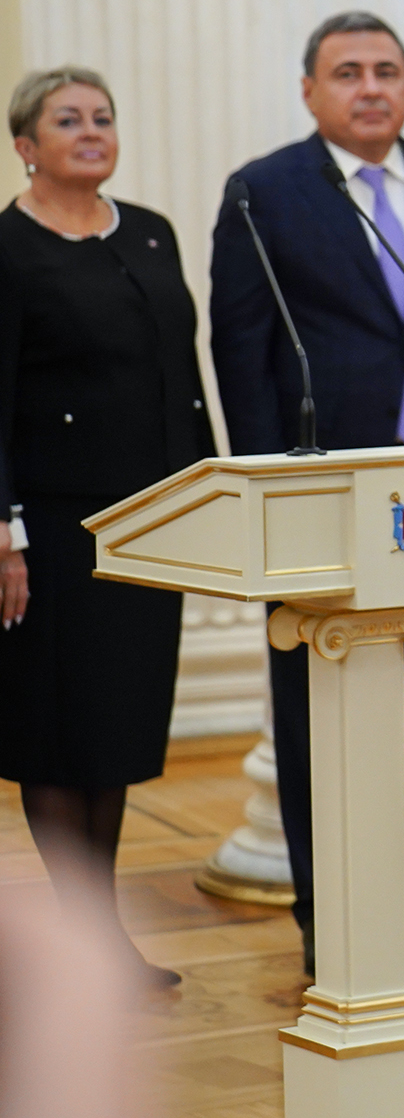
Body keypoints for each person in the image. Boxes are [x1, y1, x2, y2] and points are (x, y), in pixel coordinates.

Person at [208, 12, 404, 973]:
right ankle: (327, 910)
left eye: (387, 70)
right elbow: (239, 347)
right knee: (315, 704)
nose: (371, 87)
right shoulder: (264, 191)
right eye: (348, 72)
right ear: (309, 90)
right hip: (323, 490)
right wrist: (260, 489)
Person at [0, 68, 216, 989]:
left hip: (144, 525)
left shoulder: (153, 230)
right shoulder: (6, 248)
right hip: (47, 531)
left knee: (115, 731)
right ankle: (86, 940)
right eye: (67, 120)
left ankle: (98, 934)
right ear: (24, 145)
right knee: (55, 733)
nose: (90, 131)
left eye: (102, 117)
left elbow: (182, 370)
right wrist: (3, 529)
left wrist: (213, 500)